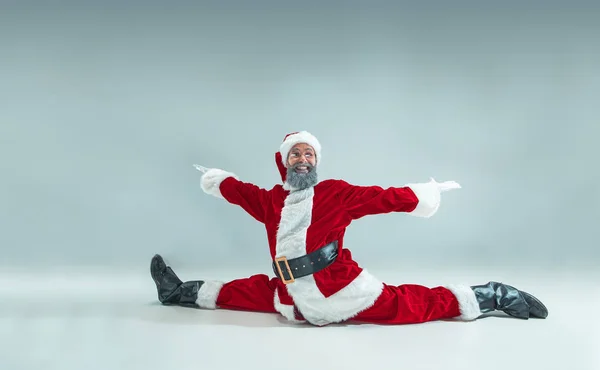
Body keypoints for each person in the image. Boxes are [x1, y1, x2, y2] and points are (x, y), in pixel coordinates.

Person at [150, 131, 548, 326]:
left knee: (410, 305)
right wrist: (216, 179)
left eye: (309, 154)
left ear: (316, 162)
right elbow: (239, 190)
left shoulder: (336, 194)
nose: (303, 159)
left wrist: (423, 194)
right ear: (284, 161)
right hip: (288, 293)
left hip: (338, 288)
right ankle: (177, 292)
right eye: (296, 153)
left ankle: (491, 295)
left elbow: (382, 197)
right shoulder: (271, 199)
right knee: (241, 292)